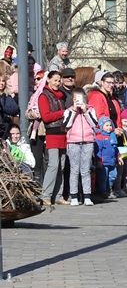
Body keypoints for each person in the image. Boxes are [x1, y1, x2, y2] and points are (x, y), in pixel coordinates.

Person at [35, 70, 68, 207]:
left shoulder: (61, 96)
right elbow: (46, 117)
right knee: (53, 165)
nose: (57, 83)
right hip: (52, 133)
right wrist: (63, 113)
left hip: (63, 133)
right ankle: (46, 195)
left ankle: (58, 195)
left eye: (59, 80)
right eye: (55, 80)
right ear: (48, 80)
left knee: (61, 165)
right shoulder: (44, 96)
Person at [62, 86, 98, 206]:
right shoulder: (68, 111)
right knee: (74, 170)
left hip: (88, 141)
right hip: (73, 142)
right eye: (76, 98)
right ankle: (74, 196)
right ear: (73, 99)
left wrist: (85, 111)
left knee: (86, 170)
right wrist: (74, 110)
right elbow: (66, 124)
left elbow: (94, 123)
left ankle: (87, 196)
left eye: (81, 98)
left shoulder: (91, 110)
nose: (79, 100)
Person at [94, 118, 118, 202]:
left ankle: (109, 189)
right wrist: (99, 160)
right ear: (101, 126)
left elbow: (115, 148)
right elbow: (98, 150)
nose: (109, 127)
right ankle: (103, 191)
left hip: (112, 161)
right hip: (103, 162)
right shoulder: (99, 137)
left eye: (110, 125)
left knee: (113, 175)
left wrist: (118, 157)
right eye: (106, 125)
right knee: (103, 177)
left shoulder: (112, 136)